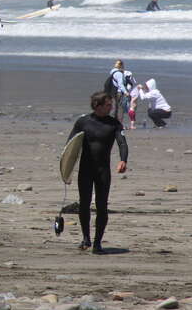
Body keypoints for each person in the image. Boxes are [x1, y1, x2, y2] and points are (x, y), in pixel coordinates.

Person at [67, 91, 128, 255]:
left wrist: (123, 160)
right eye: (108, 105)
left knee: (102, 206)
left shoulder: (114, 124)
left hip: (103, 171)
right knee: (84, 204)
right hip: (85, 170)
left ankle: (97, 243)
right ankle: (86, 238)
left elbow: (122, 143)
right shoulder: (83, 122)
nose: (111, 107)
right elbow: (70, 147)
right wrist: (67, 171)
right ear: (97, 105)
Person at [105, 59, 129, 124]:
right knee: (120, 109)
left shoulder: (112, 72)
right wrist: (126, 92)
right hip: (118, 93)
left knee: (113, 107)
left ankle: (111, 122)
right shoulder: (119, 74)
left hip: (112, 92)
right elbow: (120, 84)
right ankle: (118, 123)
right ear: (121, 65)